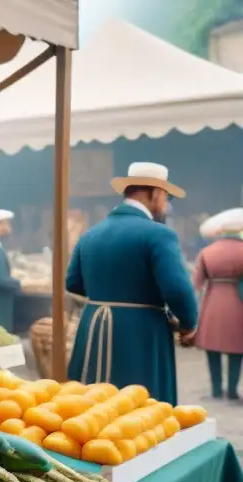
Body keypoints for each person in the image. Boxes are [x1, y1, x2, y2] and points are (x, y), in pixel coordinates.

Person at [66, 162, 198, 405]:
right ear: (155, 193)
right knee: (141, 408)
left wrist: (108, 293)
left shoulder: (91, 234)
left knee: (88, 405)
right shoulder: (159, 233)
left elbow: (73, 282)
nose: (166, 204)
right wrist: (188, 324)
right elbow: (177, 290)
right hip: (141, 330)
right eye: (166, 196)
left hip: (93, 322)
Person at [193, 208, 243, 400]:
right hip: (238, 303)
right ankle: (232, 390)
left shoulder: (207, 252)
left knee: (212, 348)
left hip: (213, 300)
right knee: (237, 349)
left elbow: (196, 282)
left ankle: (215, 388)